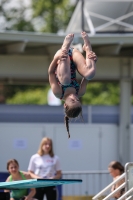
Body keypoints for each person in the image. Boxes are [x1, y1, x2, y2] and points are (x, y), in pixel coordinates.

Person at [48, 31, 97, 138]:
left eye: (72, 100)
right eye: (78, 100)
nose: (75, 97)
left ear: (65, 104)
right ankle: (87, 47)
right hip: (74, 56)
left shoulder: (58, 93)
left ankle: (65, 46)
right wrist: (93, 63)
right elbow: (86, 77)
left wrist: (56, 58)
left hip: (61, 57)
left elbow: (51, 73)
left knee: (65, 81)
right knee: (90, 74)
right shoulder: (80, 92)